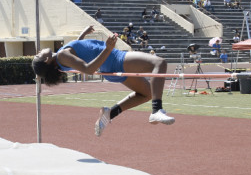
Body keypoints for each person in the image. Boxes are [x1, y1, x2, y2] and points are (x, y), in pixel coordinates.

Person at [32, 25, 175, 137]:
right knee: (159, 63)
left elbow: (79, 50)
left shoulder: (62, 56)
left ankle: (110, 113)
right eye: (38, 55)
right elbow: (88, 69)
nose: (39, 51)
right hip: (114, 59)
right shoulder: (62, 56)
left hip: (108, 66)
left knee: (147, 93)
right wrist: (108, 48)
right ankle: (156, 110)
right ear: (46, 60)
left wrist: (83, 34)